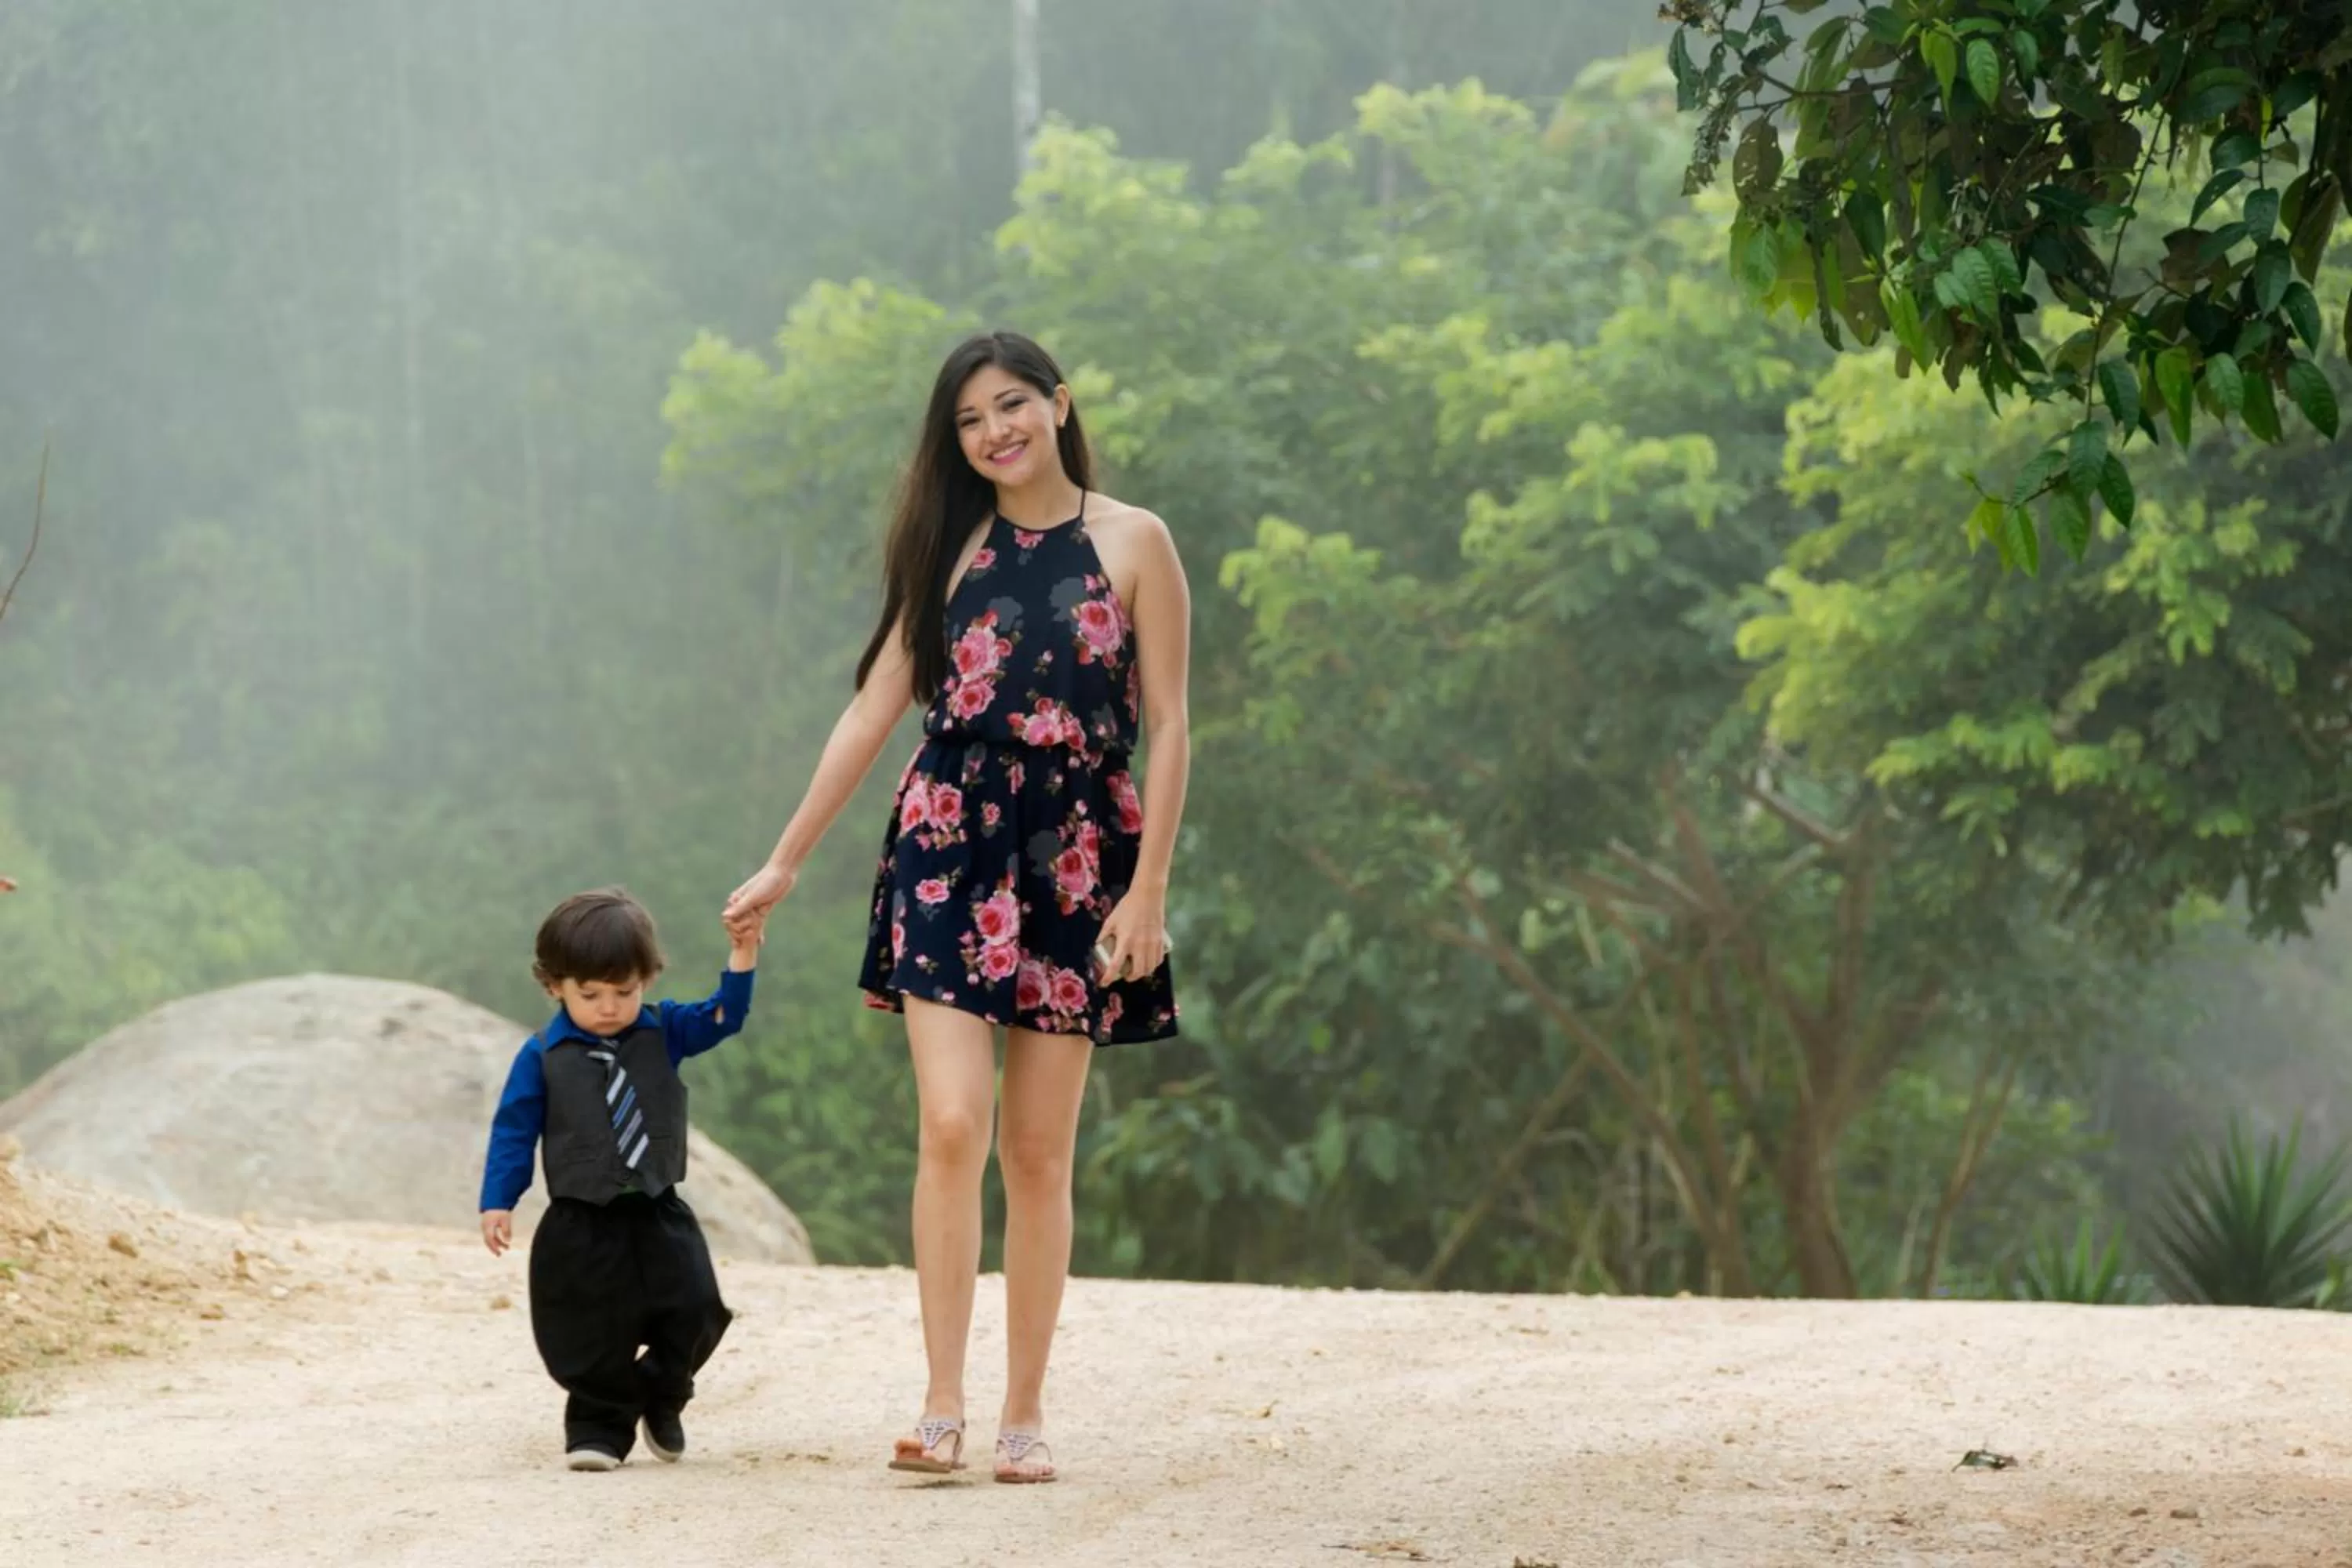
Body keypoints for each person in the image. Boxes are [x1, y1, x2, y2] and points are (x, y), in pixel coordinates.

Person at [724, 329, 1192, 1483]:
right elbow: (874, 707)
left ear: (1059, 403)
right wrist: (786, 860)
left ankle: (1023, 1413)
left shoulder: (1135, 542)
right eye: (973, 419)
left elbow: (1172, 724)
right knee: (951, 1125)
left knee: (1037, 1154)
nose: (997, 431)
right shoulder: (953, 550)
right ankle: (941, 1403)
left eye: (1014, 404)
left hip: (1077, 854)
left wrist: (1148, 892)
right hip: (949, 842)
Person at [478, 887, 764, 1472]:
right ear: (554, 985)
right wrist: (498, 1201)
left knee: (696, 1308)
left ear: (647, 981)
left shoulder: (667, 1031)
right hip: (582, 1217)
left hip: (657, 1208)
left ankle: (662, 1395)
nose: (608, 1007)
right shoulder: (540, 1055)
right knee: (587, 1326)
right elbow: (514, 1130)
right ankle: (598, 1427)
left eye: (624, 991)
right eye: (590, 994)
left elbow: (724, 1015)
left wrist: (744, 954)